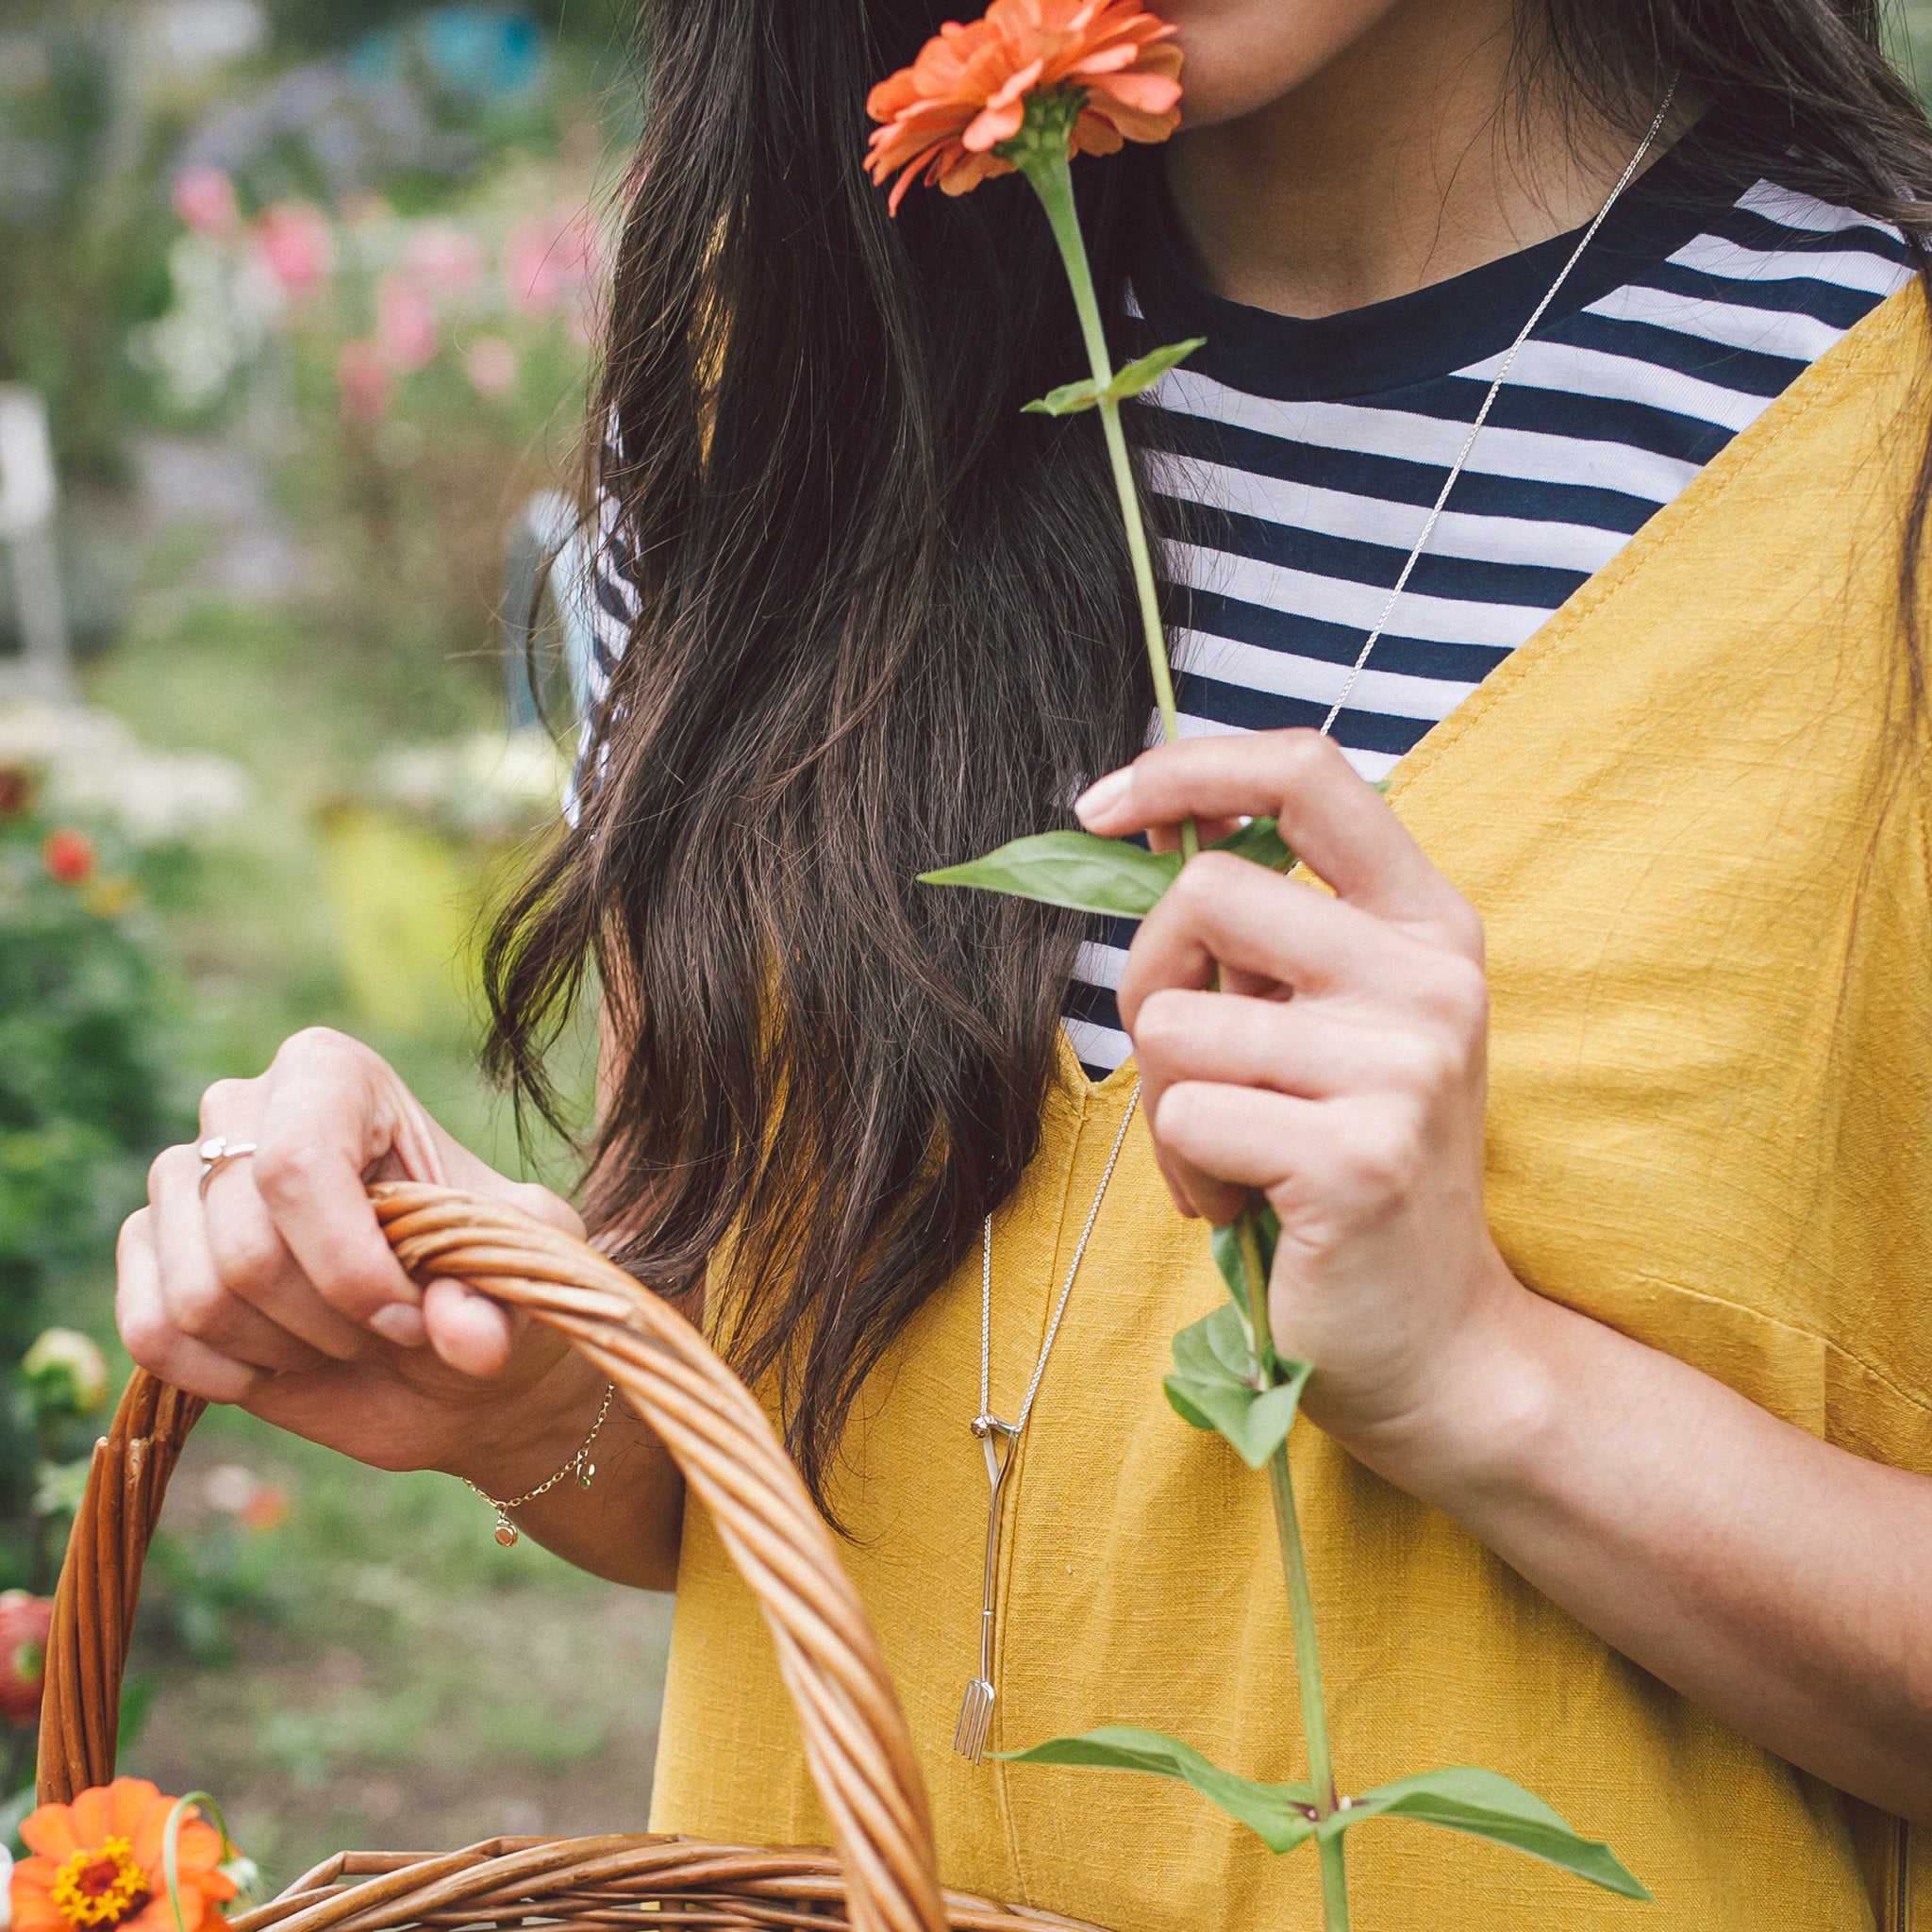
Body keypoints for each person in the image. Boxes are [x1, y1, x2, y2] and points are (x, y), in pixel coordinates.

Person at [116, 1, 1932, 1925]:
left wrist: (1490, 1383)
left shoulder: (1877, 460)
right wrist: (518, 1370)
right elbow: (743, 1443)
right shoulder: (781, 388)